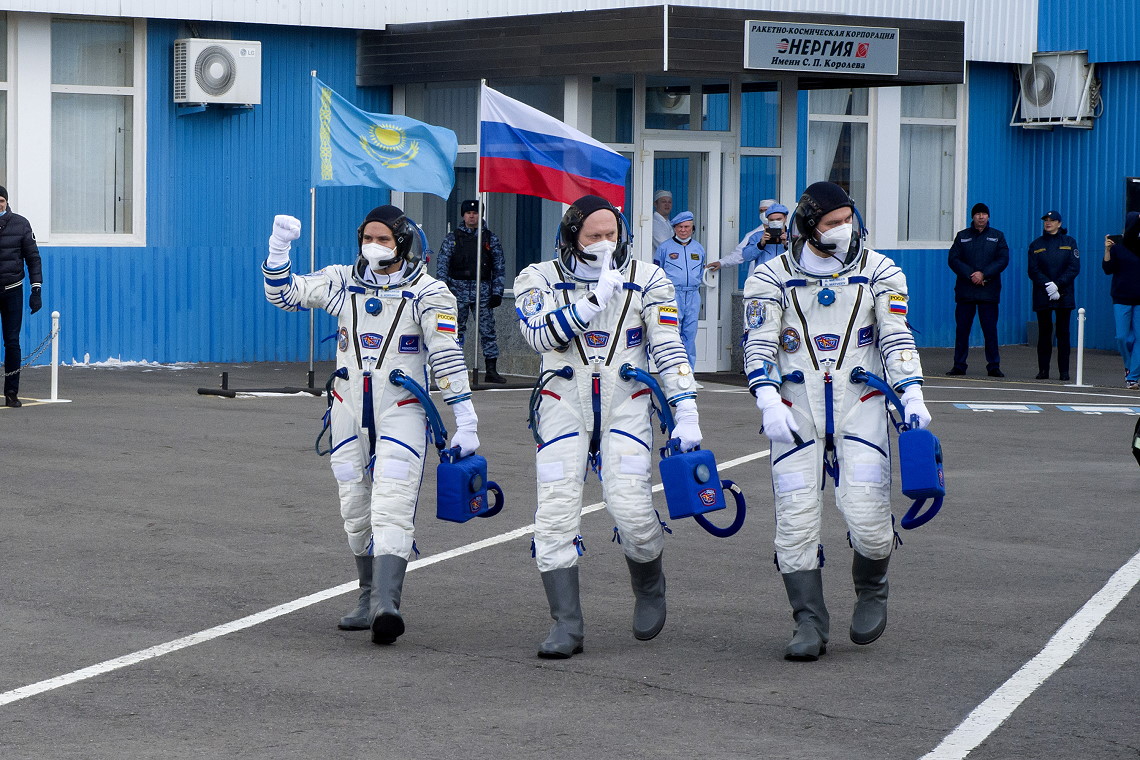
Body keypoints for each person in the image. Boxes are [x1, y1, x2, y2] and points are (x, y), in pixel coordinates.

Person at [262, 205, 480, 646]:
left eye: (383, 239)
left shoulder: (429, 292)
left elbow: (445, 354)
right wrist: (279, 248)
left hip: (402, 409)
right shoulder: (344, 282)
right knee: (355, 510)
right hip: (346, 409)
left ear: (402, 242)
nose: (374, 246)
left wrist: (466, 417)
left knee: (392, 504)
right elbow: (284, 295)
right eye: (369, 237)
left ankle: (386, 603)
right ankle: (366, 596)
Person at [742, 181, 931, 661]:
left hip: (861, 404)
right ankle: (808, 621)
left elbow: (895, 337)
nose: (844, 230)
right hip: (795, 408)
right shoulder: (771, 277)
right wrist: (766, 398)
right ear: (809, 226)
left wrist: (911, 393)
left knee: (869, 521)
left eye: (849, 220)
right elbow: (759, 343)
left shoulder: (881, 271)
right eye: (832, 223)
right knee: (795, 522)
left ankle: (872, 586)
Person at [514, 194, 704, 658]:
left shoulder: (648, 278)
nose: (604, 243)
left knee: (632, 511)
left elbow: (668, 346)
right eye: (593, 236)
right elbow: (538, 334)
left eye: (611, 235)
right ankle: (567, 624)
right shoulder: (537, 277)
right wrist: (591, 302)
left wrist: (687, 411)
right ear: (571, 238)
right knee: (555, 515)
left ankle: (650, 584)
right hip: (562, 405)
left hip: (626, 404)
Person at [435, 199, 507, 383]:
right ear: (463, 215)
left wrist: (497, 292)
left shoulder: (490, 239)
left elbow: (499, 266)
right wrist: (442, 290)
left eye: (475, 213)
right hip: (456, 291)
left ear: (480, 214)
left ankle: (491, 370)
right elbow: (442, 265)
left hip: (482, 291)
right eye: (468, 213)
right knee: (454, 332)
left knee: (487, 331)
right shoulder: (452, 238)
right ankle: (454, 369)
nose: (472, 216)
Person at [946, 202, 1010, 377]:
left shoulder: (998, 236)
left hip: (988, 292)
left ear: (988, 217)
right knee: (962, 330)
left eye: (984, 214)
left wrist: (984, 274)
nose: (981, 217)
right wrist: (971, 275)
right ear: (972, 216)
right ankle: (959, 365)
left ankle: (993, 366)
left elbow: (1002, 260)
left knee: (990, 330)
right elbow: (953, 259)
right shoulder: (962, 236)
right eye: (978, 214)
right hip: (966, 292)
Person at [0, 186, 42, 409]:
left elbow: (33, 258)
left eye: (1, 200)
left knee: (12, 342)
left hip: (13, 290)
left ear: (6, 202)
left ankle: (11, 392)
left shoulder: (20, 223)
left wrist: (36, 289)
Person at [1028, 210, 1080, 381]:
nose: (1048, 223)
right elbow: (1033, 270)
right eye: (1046, 220)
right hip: (1043, 293)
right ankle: (1043, 370)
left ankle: (1064, 372)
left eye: (1052, 220)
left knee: (1063, 333)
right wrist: (1048, 285)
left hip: (1064, 294)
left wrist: (1058, 285)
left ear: (1059, 223)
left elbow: (1073, 267)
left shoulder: (1069, 242)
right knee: (1044, 332)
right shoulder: (1036, 245)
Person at [653, 211, 706, 369]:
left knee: (690, 335)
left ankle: (688, 373)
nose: (683, 230)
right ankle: (672, 372)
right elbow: (657, 271)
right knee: (671, 334)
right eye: (680, 227)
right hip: (672, 295)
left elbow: (701, 271)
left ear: (692, 228)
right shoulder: (665, 248)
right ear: (674, 228)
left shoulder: (698, 248)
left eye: (687, 227)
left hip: (693, 295)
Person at [1103, 211, 1140, 389]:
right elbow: (1108, 269)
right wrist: (1107, 250)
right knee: (1123, 337)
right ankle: (1129, 366)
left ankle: (1132, 376)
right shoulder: (1118, 246)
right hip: (1121, 297)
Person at [708, 202, 789, 277]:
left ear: (785, 218)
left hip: (786, 279)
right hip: (764, 280)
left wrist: (787, 244)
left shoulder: (793, 236)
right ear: (768, 219)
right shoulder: (756, 236)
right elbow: (745, 256)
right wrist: (760, 244)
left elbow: (800, 258)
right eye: (772, 220)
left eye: (778, 219)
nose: (775, 222)